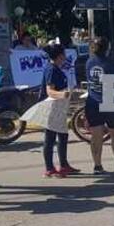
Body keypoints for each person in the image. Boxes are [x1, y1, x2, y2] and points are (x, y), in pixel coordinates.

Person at [85, 37, 114, 174]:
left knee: (96, 135)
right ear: (107, 48)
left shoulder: (89, 62)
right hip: (110, 96)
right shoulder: (112, 63)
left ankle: (97, 166)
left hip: (93, 99)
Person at [40, 44, 79, 178]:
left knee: (63, 135)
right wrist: (62, 95)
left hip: (59, 107)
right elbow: (49, 91)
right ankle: (49, 168)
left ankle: (63, 165)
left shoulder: (56, 68)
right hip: (51, 107)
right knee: (50, 137)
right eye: (63, 54)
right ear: (59, 56)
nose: (65, 57)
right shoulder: (51, 69)